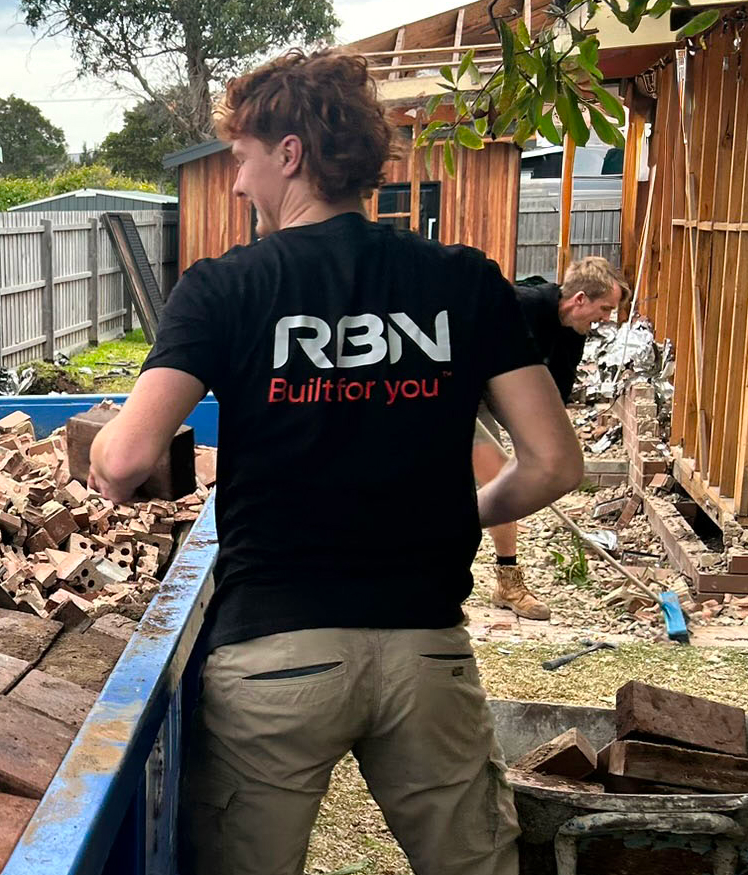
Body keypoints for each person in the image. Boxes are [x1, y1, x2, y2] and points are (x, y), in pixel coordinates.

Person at [88, 50, 583, 874]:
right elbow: (554, 464)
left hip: (276, 656)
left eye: (242, 160)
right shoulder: (462, 280)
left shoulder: (223, 287)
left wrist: (99, 445)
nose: (238, 185)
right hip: (428, 650)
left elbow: (128, 459)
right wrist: (463, 512)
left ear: (289, 154)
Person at [479, 256, 626, 620]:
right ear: (579, 300)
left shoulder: (571, 334)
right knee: (496, 478)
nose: (606, 318)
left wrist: (545, 455)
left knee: (503, 481)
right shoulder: (520, 304)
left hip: (499, 390)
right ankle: (490, 582)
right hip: (460, 390)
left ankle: (503, 583)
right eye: (604, 308)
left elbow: (552, 401)